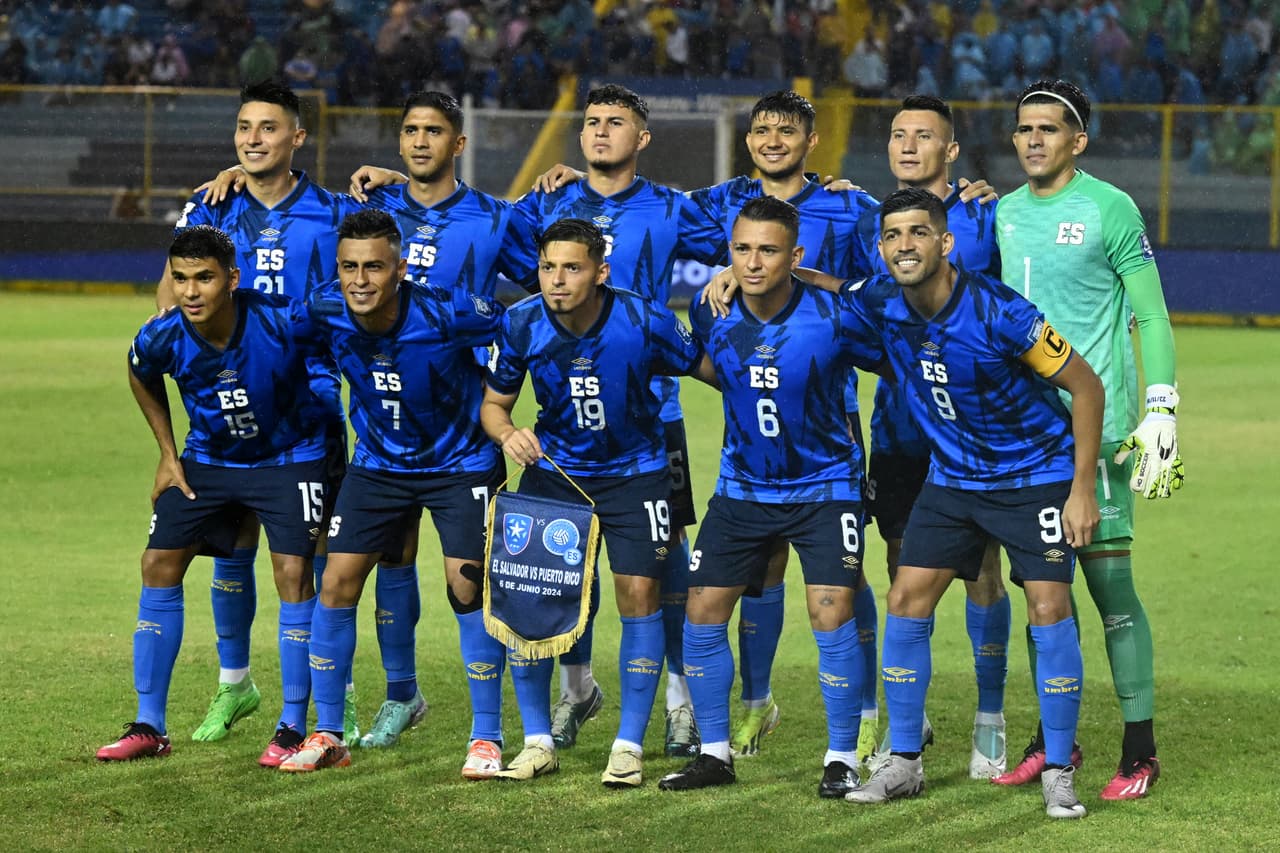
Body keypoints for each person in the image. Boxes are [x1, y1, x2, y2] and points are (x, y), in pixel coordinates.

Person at [838, 187, 1103, 819]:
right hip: (954, 480)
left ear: (946, 242)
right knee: (906, 598)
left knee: (1049, 606)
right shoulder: (882, 298)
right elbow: (827, 288)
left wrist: (1081, 489)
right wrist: (744, 278)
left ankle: (1059, 771)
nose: (905, 245)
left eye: (918, 232)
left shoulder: (1000, 310)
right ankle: (905, 763)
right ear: (881, 248)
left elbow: (1086, 386)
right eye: (893, 235)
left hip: (1034, 475)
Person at [507, 84, 725, 757]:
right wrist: (398, 183)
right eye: (593, 121)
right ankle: (577, 690)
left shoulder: (671, 206)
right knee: (565, 563)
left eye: (617, 122)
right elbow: (474, 222)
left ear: (642, 138)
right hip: (569, 418)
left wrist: (728, 277)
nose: (602, 131)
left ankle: (681, 702)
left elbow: (751, 237)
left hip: (653, 417)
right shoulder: (549, 201)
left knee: (661, 562)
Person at [990, 79, 1183, 801]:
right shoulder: (1004, 213)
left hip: (1091, 435)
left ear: (1079, 140)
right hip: (1021, 437)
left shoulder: (1110, 208)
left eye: (1049, 128)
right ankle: (1053, 739)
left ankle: (1140, 750)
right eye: (1024, 128)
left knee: (1111, 592)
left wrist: (1161, 408)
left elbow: (1152, 315)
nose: (1033, 139)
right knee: (1044, 595)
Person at [481, 218, 718, 786]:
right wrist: (507, 433)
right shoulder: (520, 321)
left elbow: (713, 370)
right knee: (531, 603)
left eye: (572, 268)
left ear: (601, 272)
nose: (556, 280)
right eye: (547, 268)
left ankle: (628, 746)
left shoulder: (644, 319)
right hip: (556, 476)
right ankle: (537, 742)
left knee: (640, 596)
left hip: (637, 476)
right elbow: (493, 405)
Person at [684, 89, 881, 766]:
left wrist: (823, 282)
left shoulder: (850, 206)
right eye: (762, 129)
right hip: (753, 435)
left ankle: (864, 717)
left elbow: (902, 262)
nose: (773, 140)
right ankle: (753, 704)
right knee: (756, 572)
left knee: (842, 585)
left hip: (829, 416)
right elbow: (639, 211)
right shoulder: (723, 204)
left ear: (811, 140)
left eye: (786, 130)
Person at [165, 77, 363, 748]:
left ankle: (336, 693)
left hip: (306, 405)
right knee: (229, 549)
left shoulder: (333, 211)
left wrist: (391, 176)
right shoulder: (211, 206)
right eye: (244, 128)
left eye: (268, 128)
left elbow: (388, 238)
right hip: (225, 403)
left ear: (297, 137)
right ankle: (235, 683)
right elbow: (167, 295)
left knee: (312, 556)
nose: (253, 139)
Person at [279, 209, 507, 774]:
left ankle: (486, 737)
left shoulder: (449, 310)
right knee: (336, 581)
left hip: (462, 464)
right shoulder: (324, 306)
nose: (359, 280)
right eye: (349, 267)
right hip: (379, 466)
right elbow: (278, 335)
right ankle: (329, 733)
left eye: (374, 267)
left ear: (400, 269)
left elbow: (517, 332)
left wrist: (498, 402)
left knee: (466, 587)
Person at [97, 226, 329, 766]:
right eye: (180, 279)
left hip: (289, 459)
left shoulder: (284, 318)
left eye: (204, 278)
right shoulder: (163, 335)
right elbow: (139, 371)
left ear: (232, 279)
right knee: (158, 563)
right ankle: (150, 726)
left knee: (293, 574)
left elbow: (343, 353)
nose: (190, 291)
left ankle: (293, 726)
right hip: (209, 460)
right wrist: (167, 452)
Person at [853, 94, 1011, 779]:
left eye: (924, 136)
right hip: (899, 430)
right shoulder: (867, 219)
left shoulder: (983, 216)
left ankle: (990, 718)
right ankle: (908, 721)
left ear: (951, 151)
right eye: (898, 135)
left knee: (982, 574)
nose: (908, 146)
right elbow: (835, 289)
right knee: (902, 575)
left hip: (971, 435)